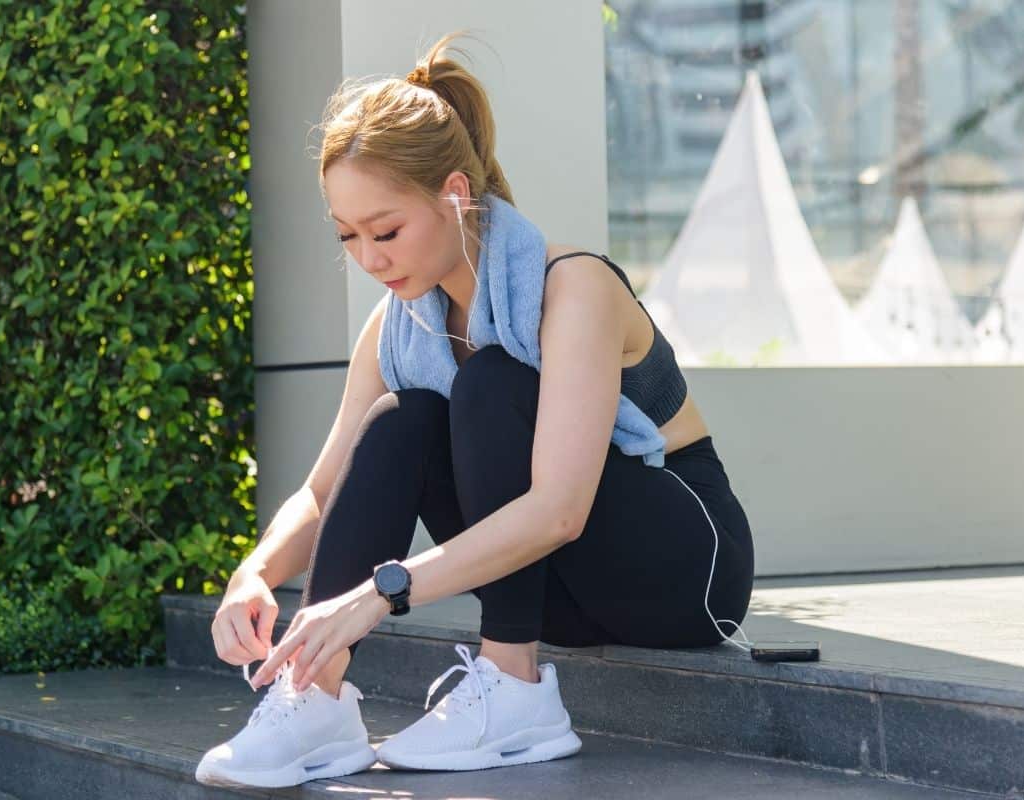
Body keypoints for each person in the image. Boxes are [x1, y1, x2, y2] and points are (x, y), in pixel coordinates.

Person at [196, 30, 754, 790]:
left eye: (386, 231)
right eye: (349, 236)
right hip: (562, 589)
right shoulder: (400, 325)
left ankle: (515, 685)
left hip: (686, 570)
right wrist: (253, 574)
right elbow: (323, 492)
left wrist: (379, 593)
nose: (369, 258)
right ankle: (315, 699)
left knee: (492, 380)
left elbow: (560, 509)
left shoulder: (572, 288)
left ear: (455, 195)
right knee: (403, 417)